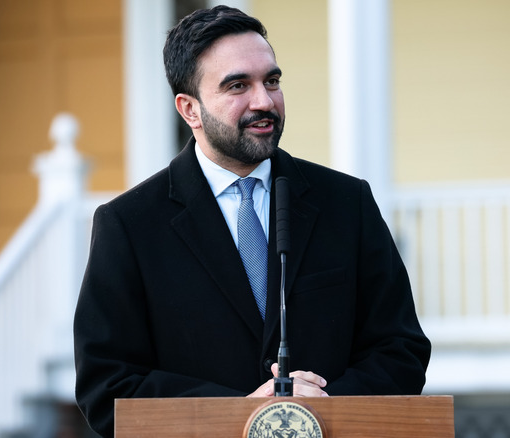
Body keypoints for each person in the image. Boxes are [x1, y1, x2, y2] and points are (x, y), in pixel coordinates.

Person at [74, 6, 430, 437]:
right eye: (238, 85)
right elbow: (108, 386)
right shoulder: (129, 225)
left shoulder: (346, 202)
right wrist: (240, 413)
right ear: (190, 109)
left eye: (272, 81)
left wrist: (325, 404)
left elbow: (401, 349)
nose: (264, 101)